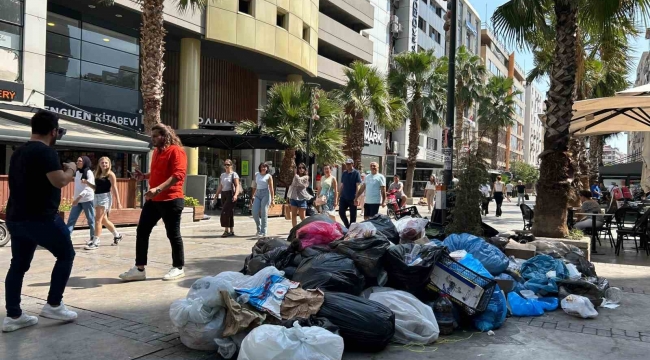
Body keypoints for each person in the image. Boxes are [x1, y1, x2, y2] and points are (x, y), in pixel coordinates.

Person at [3, 110, 78, 332]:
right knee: (66, 254)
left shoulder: (19, 152)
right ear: (54, 131)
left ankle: (13, 316)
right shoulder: (45, 152)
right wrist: (72, 168)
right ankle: (54, 304)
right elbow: (59, 181)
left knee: (18, 264)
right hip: (41, 218)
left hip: (16, 217)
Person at [119, 124, 187, 282]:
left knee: (173, 234)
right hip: (154, 200)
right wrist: (144, 176)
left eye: (156, 136)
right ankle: (139, 268)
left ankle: (178, 267)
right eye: (152, 136)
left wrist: (157, 189)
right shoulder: (157, 152)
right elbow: (159, 172)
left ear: (165, 136)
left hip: (171, 199)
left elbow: (178, 175)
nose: (153, 138)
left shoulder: (176, 151)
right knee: (142, 231)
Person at [84, 156, 123, 250]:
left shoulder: (110, 174)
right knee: (104, 220)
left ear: (109, 164)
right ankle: (117, 235)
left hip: (105, 197)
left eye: (106, 163)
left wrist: (118, 201)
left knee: (98, 220)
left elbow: (114, 188)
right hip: (96, 196)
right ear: (99, 164)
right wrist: (87, 183)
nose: (104, 164)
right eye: (102, 163)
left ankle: (96, 241)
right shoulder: (97, 174)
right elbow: (96, 188)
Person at [66, 156, 96, 245]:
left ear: (85, 162)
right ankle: (66, 238)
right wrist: (76, 198)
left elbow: (88, 189)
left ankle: (93, 238)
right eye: (77, 161)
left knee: (91, 220)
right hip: (77, 200)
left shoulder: (89, 173)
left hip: (87, 199)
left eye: (80, 161)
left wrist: (77, 198)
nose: (77, 162)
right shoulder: (78, 173)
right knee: (71, 219)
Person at [215, 159, 240, 237]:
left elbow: (237, 185)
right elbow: (221, 186)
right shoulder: (222, 175)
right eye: (225, 164)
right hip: (223, 194)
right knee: (230, 212)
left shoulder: (234, 174)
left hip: (230, 194)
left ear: (231, 165)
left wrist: (236, 195)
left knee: (224, 211)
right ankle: (231, 230)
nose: (226, 166)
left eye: (228, 164)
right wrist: (216, 195)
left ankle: (226, 230)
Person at [251, 163, 275, 237]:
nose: (263, 168)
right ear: (260, 168)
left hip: (266, 194)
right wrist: (252, 195)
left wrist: (273, 199)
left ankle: (263, 231)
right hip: (258, 194)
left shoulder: (269, 176)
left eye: (265, 167)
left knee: (264, 213)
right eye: (262, 167)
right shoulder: (257, 174)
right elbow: (254, 185)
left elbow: (271, 188)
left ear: (267, 168)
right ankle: (258, 228)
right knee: (254, 212)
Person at [338, 159, 361, 228]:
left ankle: (352, 229)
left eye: (349, 164)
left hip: (352, 198)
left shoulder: (356, 173)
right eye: (346, 164)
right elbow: (342, 185)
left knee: (353, 216)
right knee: (341, 212)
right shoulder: (344, 173)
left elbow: (358, 186)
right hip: (344, 197)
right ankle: (347, 226)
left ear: (352, 164)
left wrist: (357, 197)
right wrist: (338, 196)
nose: (347, 165)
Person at [288, 163, 311, 227]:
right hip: (294, 197)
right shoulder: (296, 176)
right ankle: (294, 230)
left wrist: (295, 175)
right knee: (293, 215)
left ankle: (306, 229)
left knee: (302, 217)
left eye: (302, 168)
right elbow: (293, 185)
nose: (301, 169)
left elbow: (300, 183)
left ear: (305, 169)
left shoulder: (306, 177)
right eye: (299, 168)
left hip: (302, 198)